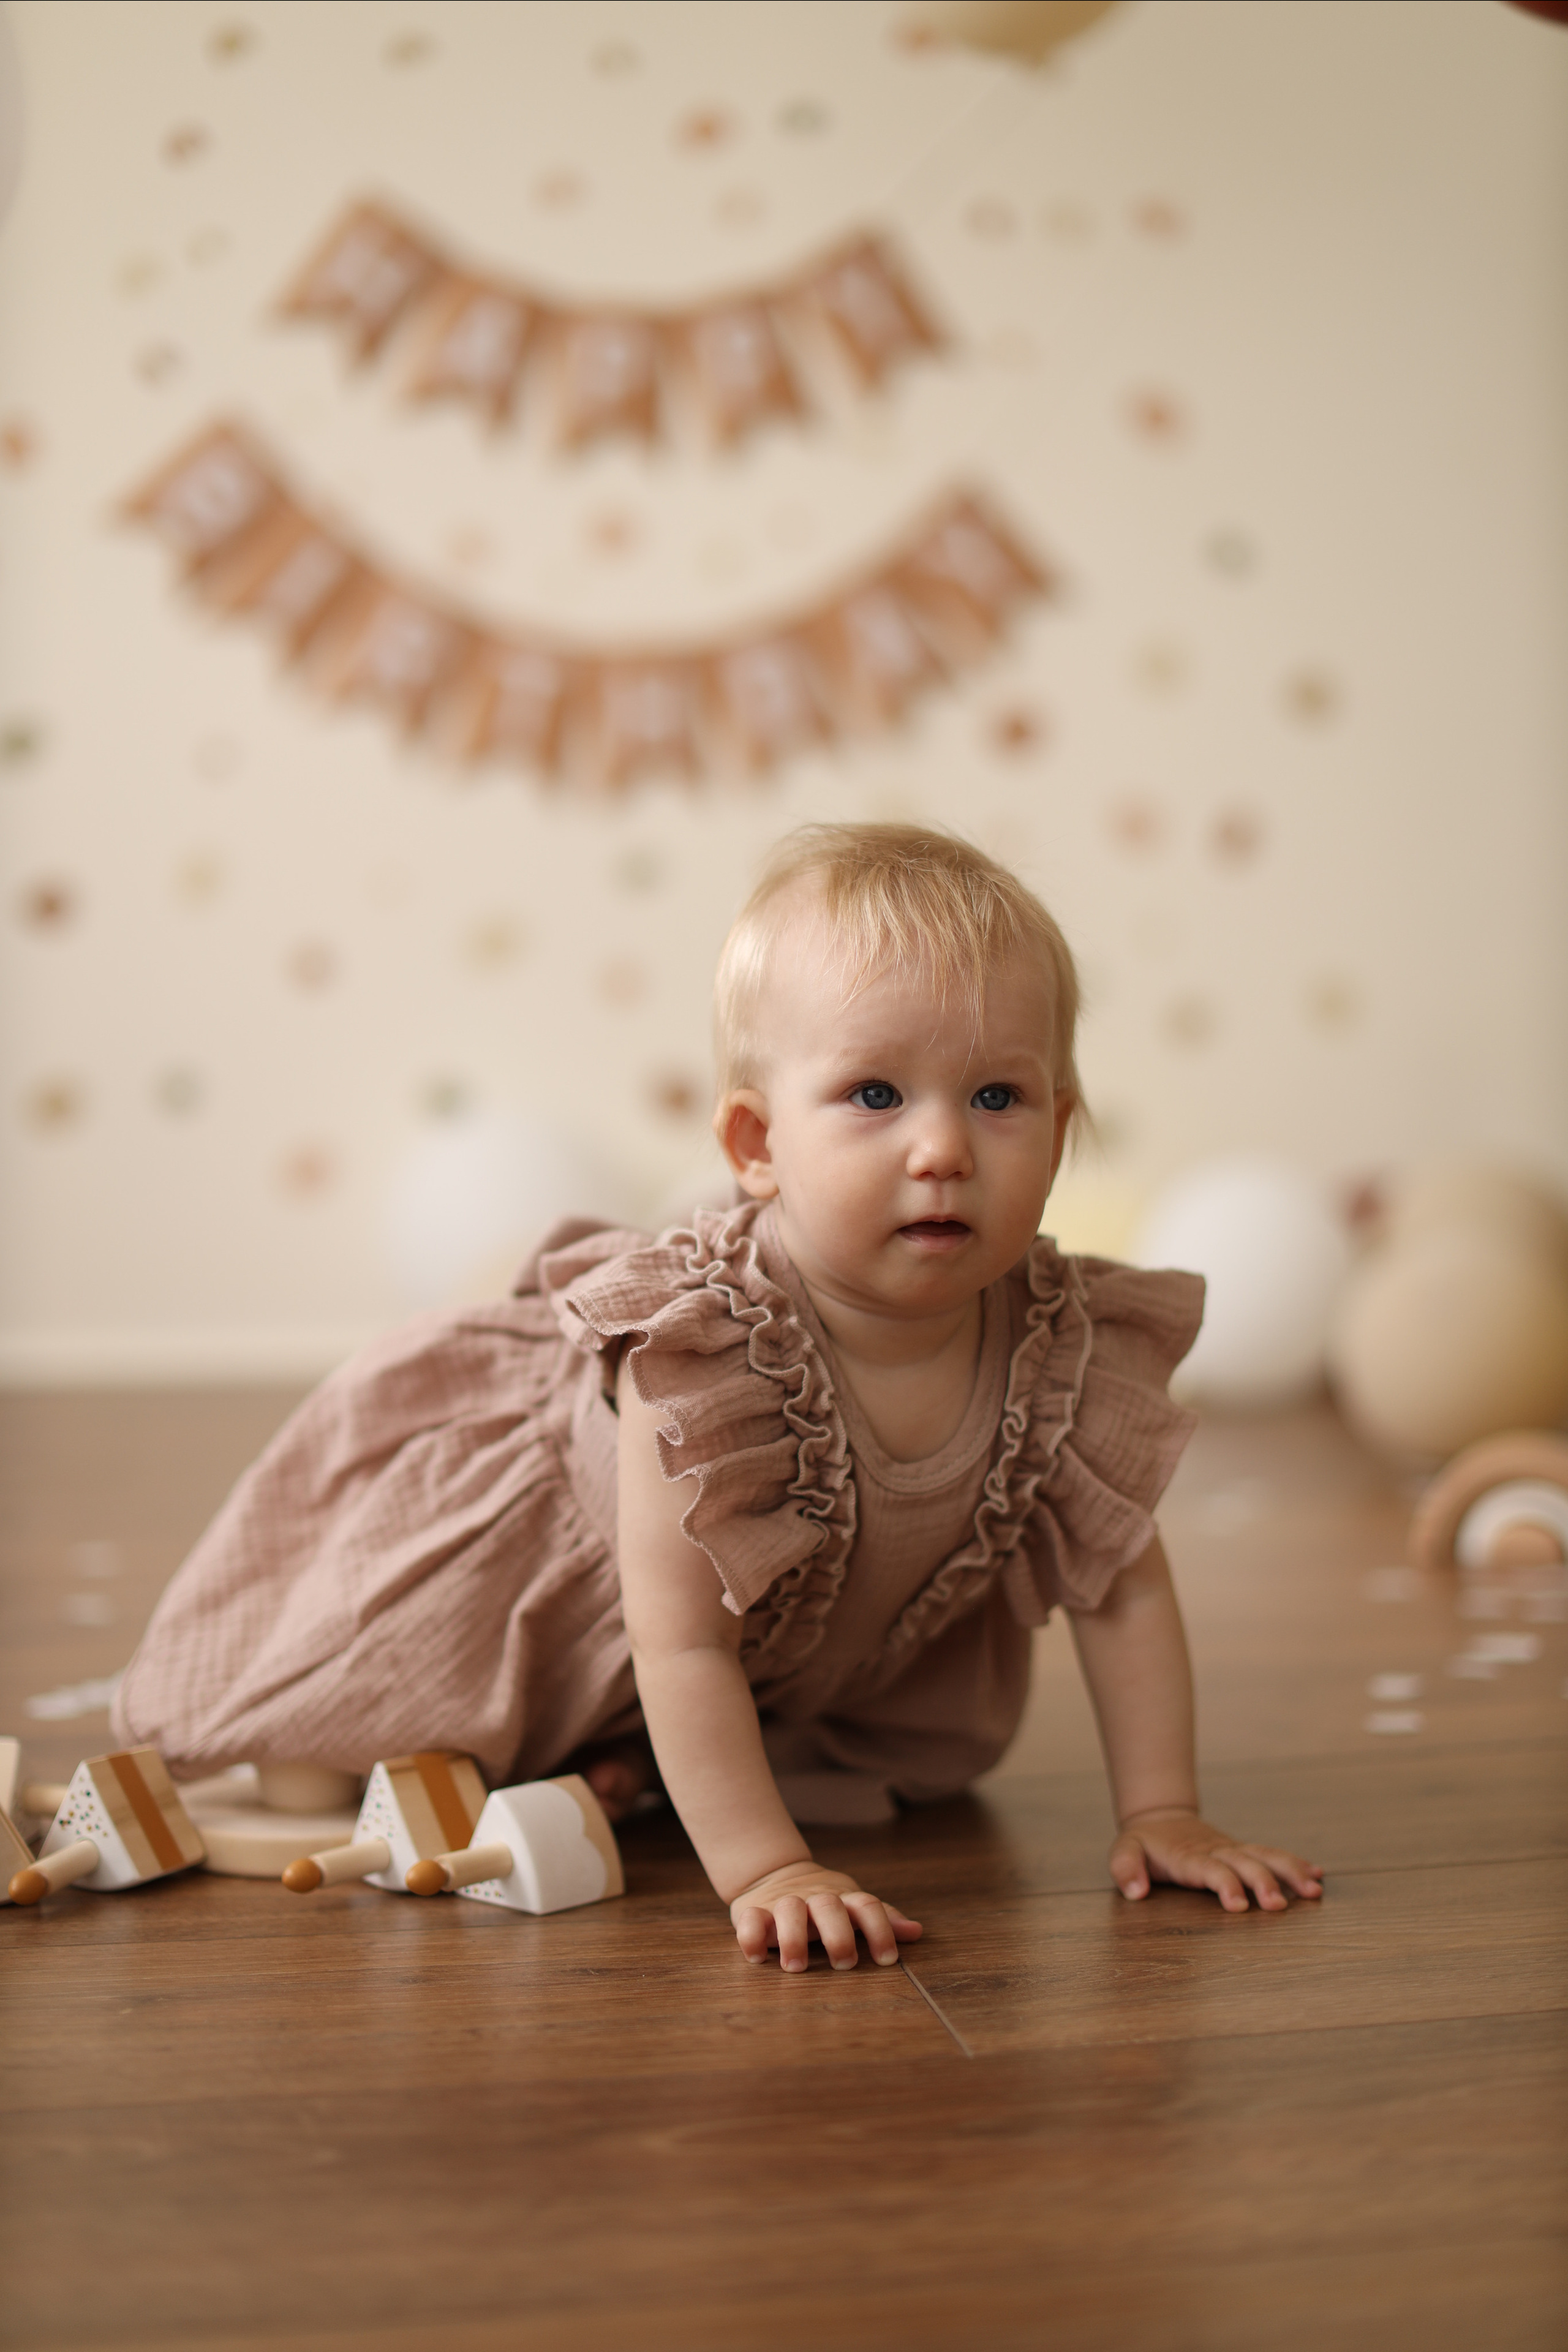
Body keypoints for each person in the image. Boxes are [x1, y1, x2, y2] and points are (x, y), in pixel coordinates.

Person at [114, 823, 1322, 1968]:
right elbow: (681, 1639)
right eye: (874, 1095)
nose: (943, 1150)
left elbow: (1121, 1587)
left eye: (997, 1098)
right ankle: (504, 1738)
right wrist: (766, 1869)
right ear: (755, 1144)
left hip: (795, 1652)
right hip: (563, 1601)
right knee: (349, 1743)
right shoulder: (702, 1356)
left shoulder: (1063, 1342)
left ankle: (642, 1766)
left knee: (906, 1763)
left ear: (1058, 1132)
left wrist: (1163, 1810)